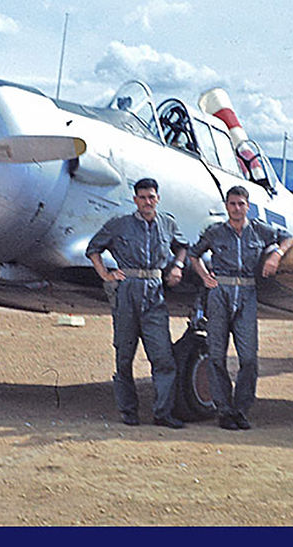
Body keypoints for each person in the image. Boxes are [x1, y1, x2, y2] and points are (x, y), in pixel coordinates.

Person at [188, 185, 293, 430]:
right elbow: (194, 254)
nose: (237, 208)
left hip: (247, 292)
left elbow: (287, 238)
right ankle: (224, 410)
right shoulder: (215, 232)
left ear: (248, 206)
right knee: (216, 355)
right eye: (232, 204)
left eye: (241, 204)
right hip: (219, 294)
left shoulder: (259, 230)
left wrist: (276, 255)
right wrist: (205, 277)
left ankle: (241, 409)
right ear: (226, 206)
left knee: (248, 357)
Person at [86, 177, 189, 429]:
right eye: (142, 197)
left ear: (158, 198)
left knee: (162, 356)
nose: (147, 202)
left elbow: (183, 246)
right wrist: (105, 274)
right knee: (124, 355)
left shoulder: (168, 223)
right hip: (127, 292)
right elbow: (93, 248)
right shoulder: (119, 225)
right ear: (135, 200)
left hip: (155, 293)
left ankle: (162, 413)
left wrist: (178, 265)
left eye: (151, 197)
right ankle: (128, 411)